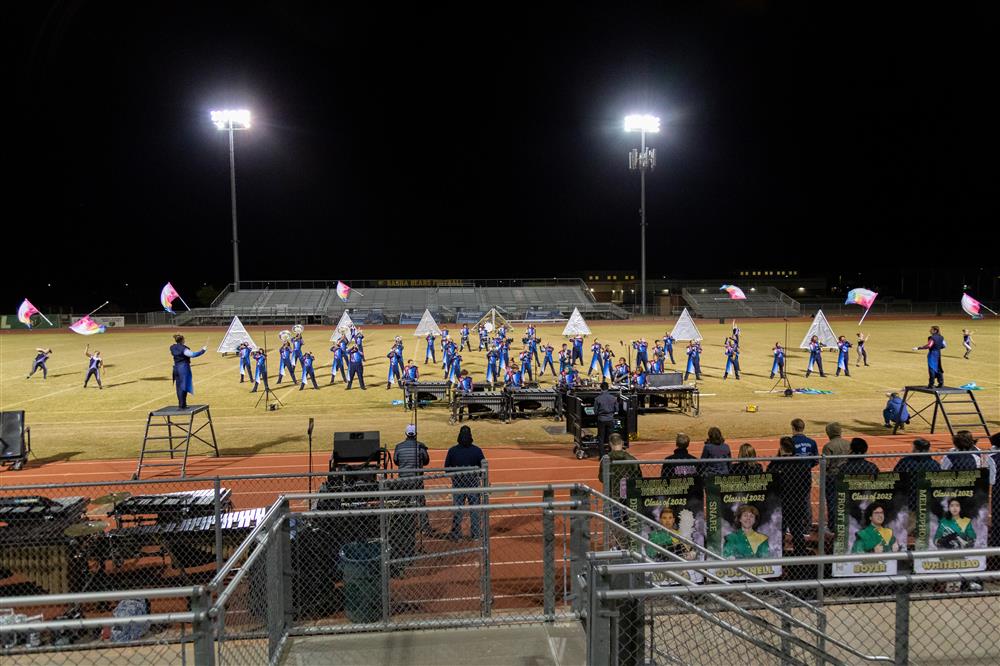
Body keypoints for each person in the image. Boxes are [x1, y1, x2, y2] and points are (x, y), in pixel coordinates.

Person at [767, 437, 812, 557]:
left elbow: (768, 481)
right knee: (797, 529)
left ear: (781, 448)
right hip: (797, 501)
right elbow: (807, 484)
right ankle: (800, 553)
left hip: (781, 502)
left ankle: (778, 554)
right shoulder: (801, 463)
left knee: (780, 530)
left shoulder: (776, 463)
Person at [444, 426, 486, 540]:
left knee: (458, 510)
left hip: (458, 484)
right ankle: (476, 534)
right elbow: (483, 468)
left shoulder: (452, 450)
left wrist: (455, 475)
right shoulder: (477, 450)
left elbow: (447, 468)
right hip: (473, 484)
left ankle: (456, 534)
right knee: (474, 511)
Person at [393, 424, 432, 534]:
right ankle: (424, 526)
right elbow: (426, 461)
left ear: (406, 433)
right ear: (416, 434)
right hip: (417, 480)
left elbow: (396, 461)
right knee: (421, 503)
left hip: (403, 480)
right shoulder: (420, 446)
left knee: (404, 503)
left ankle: (405, 526)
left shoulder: (399, 446)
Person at [894, 438, 941, 526]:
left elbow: (896, 477)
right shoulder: (934, 464)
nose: (912, 450)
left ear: (917, 449)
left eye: (914, 448)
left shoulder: (905, 462)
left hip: (909, 498)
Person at [599, 434, 638, 527]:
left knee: (615, 522)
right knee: (630, 520)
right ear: (622, 443)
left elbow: (602, 478)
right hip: (628, 495)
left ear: (610, 444)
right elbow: (638, 477)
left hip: (612, 494)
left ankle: (617, 538)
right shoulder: (632, 459)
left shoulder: (605, 460)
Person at [821, 423, 851, 533]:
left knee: (832, 501)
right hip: (847, 475)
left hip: (832, 476)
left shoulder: (828, 446)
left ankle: (832, 526)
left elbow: (825, 464)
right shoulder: (848, 444)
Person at [169, 334, 207, 409]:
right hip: (183, 368)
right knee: (184, 386)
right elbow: (192, 354)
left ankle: (181, 404)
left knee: (179, 387)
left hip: (176, 368)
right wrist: (203, 350)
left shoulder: (172, 347)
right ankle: (183, 405)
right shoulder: (184, 348)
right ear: (182, 340)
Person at [594, 381, 618, 446]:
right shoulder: (613, 398)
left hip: (601, 420)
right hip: (610, 419)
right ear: (608, 388)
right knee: (611, 437)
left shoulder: (597, 399)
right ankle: (611, 453)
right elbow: (617, 409)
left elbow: (595, 412)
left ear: (601, 388)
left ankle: (602, 454)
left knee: (601, 437)